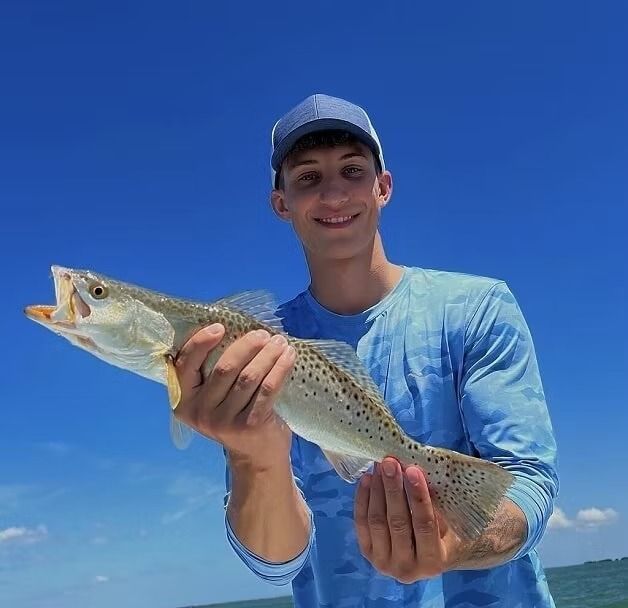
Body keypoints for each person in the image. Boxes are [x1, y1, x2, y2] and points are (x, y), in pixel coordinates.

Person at [173, 94, 560, 607]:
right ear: (281, 204)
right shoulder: (255, 348)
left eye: (352, 171)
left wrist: (453, 545)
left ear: (384, 188)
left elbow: (529, 484)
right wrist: (252, 459)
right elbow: (277, 564)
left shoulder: (477, 306)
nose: (333, 194)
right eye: (308, 177)